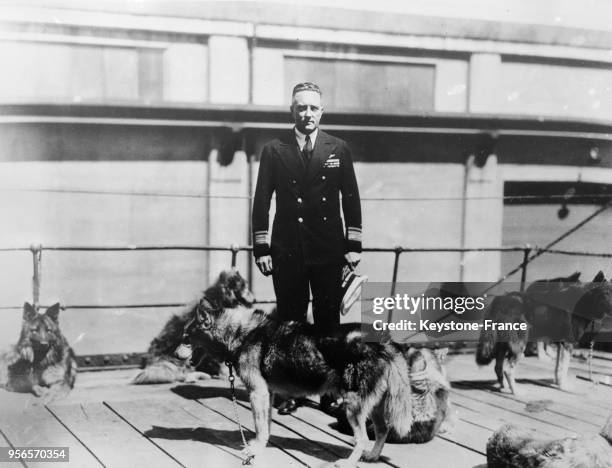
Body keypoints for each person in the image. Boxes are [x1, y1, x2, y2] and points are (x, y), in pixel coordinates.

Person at [252, 82, 362, 414]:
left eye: (313, 108)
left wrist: (353, 244)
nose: (307, 113)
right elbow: (261, 201)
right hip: (288, 251)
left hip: (328, 250)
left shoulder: (338, 148)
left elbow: (351, 198)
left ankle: (330, 390)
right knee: (289, 324)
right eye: (301, 107)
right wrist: (262, 248)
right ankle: (291, 391)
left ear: (321, 111)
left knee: (328, 323)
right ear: (292, 111)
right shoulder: (274, 150)